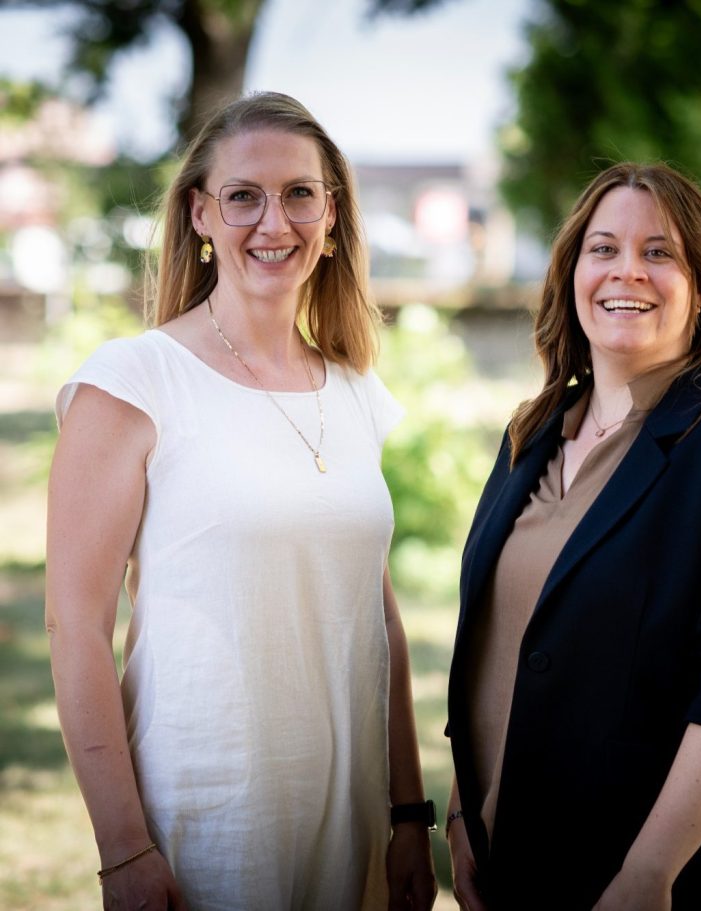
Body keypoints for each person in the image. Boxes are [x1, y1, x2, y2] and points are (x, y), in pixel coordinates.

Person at [45, 91, 437, 911]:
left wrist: (408, 814)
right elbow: (75, 626)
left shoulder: (358, 391)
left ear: (331, 217)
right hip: (204, 822)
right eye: (243, 196)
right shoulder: (134, 381)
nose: (274, 222)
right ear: (199, 213)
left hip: (350, 819)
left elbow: (379, 615)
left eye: (300, 194)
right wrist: (123, 850)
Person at [445, 162, 701, 911]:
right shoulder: (531, 433)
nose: (626, 271)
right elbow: (489, 640)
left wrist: (648, 874)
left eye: (658, 252)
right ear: (572, 273)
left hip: (655, 882)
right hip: (510, 860)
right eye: (602, 248)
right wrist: (460, 811)